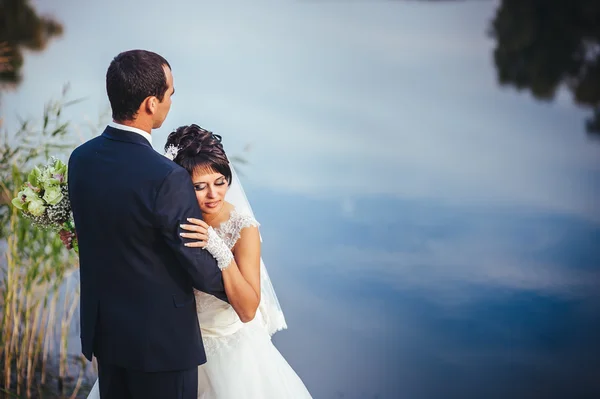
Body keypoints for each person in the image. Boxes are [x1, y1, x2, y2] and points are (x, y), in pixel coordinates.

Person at [68, 49, 229, 399]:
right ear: (150, 104)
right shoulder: (167, 177)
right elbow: (194, 262)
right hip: (161, 346)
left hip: (107, 336)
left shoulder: (80, 159)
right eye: (169, 93)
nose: (172, 100)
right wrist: (238, 285)